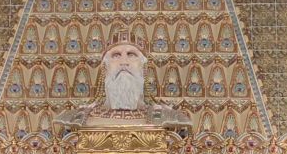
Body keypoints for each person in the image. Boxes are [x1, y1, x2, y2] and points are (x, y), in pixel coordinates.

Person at [55, 30, 191, 132]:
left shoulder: (170, 118)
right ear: (105, 68)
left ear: (143, 68)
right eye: (116, 55)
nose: (124, 62)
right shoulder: (75, 119)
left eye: (131, 55)